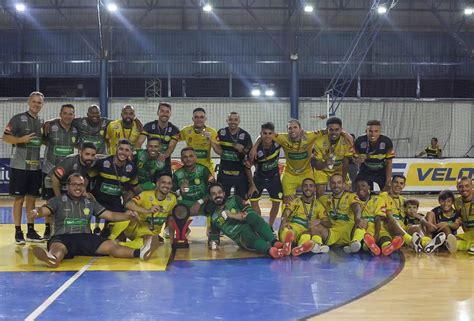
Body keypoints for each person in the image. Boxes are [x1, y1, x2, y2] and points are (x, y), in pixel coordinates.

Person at [28, 174, 159, 268]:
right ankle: (53, 259)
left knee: (111, 245)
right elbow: (44, 210)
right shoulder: (57, 201)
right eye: (74, 184)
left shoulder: (90, 202)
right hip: (62, 237)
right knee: (58, 248)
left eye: (81, 185)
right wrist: (36, 212)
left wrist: (128, 216)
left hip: (86, 237)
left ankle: (140, 253)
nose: (78, 187)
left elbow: (111, 215)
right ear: (67, 186)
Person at [3, 91, 45, 244]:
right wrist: (21, 139)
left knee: (32, 200)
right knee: (19, 200)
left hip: (35, 167)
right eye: (34, 101)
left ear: (42, 105)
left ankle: (31, 230)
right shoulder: (18, 119)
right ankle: (18, 231)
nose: (36, 104)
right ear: (29, 102)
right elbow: (5, 137)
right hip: (19, 166)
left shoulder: (42, 122)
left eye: (39, 102)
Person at [205, 183, 286, 259]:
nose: (217, 195)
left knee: (253, 216)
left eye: (219, 192)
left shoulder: (234, 199)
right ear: (210, 197)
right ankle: (270, 251)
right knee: (247, 235)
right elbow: (214, 238)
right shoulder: (214, 218)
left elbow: (248, 214)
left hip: (254, 227)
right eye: (214, 194)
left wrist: (231, 215)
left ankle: (274, 242)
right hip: (243, 238)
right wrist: (213, 243)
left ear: (224, 193)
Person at [250, 119, 322, 202]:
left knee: (310, 198)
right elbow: (264, 135)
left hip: (306, 173)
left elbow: (326, 131)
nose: (292, 130)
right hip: (289, 174)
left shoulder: (309, 136)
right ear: (287, 130)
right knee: (287, 202)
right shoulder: (282, 138)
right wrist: (254, 147)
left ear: (300, 129)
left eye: (295, 127)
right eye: (290, 128)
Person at [109, 174, 177, 248]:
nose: (166, 185)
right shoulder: (145, 194)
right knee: (129, 213)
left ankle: (120, 245)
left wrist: (172, 242)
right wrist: (147, 211)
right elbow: (128, 204)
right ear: (157, 184)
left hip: (149, 234)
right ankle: (110, 239)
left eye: (169, 183)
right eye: (163, 182)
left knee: (149, 242)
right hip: (135, 227)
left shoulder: (172, 199)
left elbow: (173, 217)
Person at [89, 139, 138, 235]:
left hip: (114, 202)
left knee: (118, 228)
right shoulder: (102, 162)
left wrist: (128, 201)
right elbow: (88, 178)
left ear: (130, 152)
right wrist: (87, 193)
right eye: (121, 149)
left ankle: (108, 235)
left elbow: (133, 187)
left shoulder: (132, 168)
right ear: (116, 149)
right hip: (97, 200)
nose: (123, 152)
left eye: (126, 150)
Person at [172, 147, 215, 246]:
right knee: (172, 205)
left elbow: (212, 190)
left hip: (203, 203)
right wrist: (180, 191)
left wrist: (199, 202)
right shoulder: (177, 174)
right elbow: (172, 194)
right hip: (187, 205)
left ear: (195, 157)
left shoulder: (204, 170)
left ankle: (213, 234)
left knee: (215, 204)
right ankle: (183, 232)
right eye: (185, 157)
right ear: (182, 159)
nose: (188, 159)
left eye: (191, 156)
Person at [313, 174, 365, 254]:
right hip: (333, 233)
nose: (336, 185)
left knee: (362, 223)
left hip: (349, 231)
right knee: (315, 227)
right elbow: (309, 202)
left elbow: (356, 206)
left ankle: (354, 242)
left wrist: (358, 217)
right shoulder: (323, 199)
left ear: (344, 184)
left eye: (339, 182)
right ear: (330, 185)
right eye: (333, 183)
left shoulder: (351, 196)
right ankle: (319, 246)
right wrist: (291, 199)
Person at [41, 104, 78, 216]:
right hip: (49, 171)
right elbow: (41, 140)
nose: (67, 116)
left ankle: (64, 229)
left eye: (70, 114)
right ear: (60, 114)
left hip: (67, 173)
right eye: (65, 113)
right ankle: (48, 229)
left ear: (74, 116)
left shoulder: (77, 129)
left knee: (67, 202)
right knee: (50, 202)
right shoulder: (50, 126)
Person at [209, 112, 256, 199]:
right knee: (222, 199)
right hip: (224, 173)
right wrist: (211, 141)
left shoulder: (245, 135)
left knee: (241, 199)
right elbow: (220, 152)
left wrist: (242, 150)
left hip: (240, 174)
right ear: (227, 120)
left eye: (235, 119)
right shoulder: (221, 132)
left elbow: (249, 154)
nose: (233, 122)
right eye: (230, 119)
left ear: (239, 121)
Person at [279, 178, 329, 256]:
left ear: (314, 189)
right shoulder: (294, 201)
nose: (308, 188)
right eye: (305, 186)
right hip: (292, 227)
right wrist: (283, 221)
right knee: (287, 231)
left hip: (305, 231)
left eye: (311, 186)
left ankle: (300, 247)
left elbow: (327, 222)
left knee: (306, 236)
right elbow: (286, 212)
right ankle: (288, 244)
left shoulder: (319, 205)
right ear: (302, 188)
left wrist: (320, 221)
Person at [248, 122, 283, 230]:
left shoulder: (278, 142)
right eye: (264, 133)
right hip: (259, 178)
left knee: (276, 204)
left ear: (274, 134)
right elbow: (247, 167)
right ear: (261, 134)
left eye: (270, 133)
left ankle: (270, 226)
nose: (267, 136)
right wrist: (252, 184)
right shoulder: (254, 151)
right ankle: (260, 227)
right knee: (253, 202)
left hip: (274, 178)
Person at [135, 102, 180, 175]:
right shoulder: (148, 126)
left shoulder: (174, 130)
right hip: (148, 162)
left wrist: (164, 156)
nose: (164, 114)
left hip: (164, 162)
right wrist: (139, 155)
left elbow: (171, 147)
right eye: (162, 111)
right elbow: (139, 142)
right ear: (158, 113)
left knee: (164, 184)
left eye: (167, 112)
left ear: (170, 114)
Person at [313, 117, 354, 197]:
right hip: (322, 170)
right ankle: (321, 208)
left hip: (338, 169)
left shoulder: (346, 141)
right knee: (320, 191)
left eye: (337, 130)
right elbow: (317, 166)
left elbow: (345, 162)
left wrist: (343, 180)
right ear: (327, 129)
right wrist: (326, 163)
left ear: (341, 130)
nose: (334, 132)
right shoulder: (319, 142)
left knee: (348, 190)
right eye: (331, 130)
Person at [353, 120, 395, 191]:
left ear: (380, 132)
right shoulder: (359, 141)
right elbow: (354, 159)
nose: (373, 134)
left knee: (387, 192)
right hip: (365, 171)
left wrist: (388, 180)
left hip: (381, 171)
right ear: (366, 131)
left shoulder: (387, 142)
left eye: (376, 131)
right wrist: (358, 160)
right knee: (361, 190)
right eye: (370, 131)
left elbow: (389, 162)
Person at [379, 175, 414, 255]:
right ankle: (410, 240)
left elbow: (413, 215)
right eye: (396, 182)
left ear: (404, 186)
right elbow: (388, 216)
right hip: (387, 228)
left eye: (401, 183)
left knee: (415, 227)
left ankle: (426, 243)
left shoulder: (404, 200)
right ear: (391, 183)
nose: (398, 185)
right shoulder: (384, 196)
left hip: (401, 231)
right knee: (391, 219)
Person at [354, 179, 390, 256]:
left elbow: (378, 219)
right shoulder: (353, 201)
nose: (360, 188)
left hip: (378, 227)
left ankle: (387, 247)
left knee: (384, 237)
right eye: (357, 187)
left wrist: (376, 236)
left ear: (369, 187)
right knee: (363, 236)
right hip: (365, 229)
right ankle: (370, 247)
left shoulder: (378, 200)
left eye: (363, 185)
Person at [180, 107, 218, 176]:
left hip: (207, 170)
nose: (199, 119)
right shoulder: (186, 130)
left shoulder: (212, 132)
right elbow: (173, 140)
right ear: (193, 119)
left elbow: (218, 151)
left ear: (205, 119)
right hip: (190, 170)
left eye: (201, 117)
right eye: (196, 117)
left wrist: (211, 140)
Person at [454, 177, 474, 254]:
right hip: (469, 234)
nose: (464, 189)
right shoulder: (457, 202)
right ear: (457, 188)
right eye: (461, 186)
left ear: (472, 186)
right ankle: (471, 246)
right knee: (453, 241)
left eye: (467, 186)